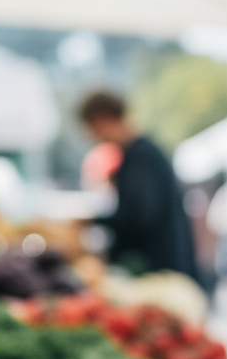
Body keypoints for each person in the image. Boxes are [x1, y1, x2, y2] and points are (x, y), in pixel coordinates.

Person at [79, 91, 198, 281]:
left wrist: (93, 221)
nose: (90, 136)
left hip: (162, 272)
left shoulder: (141, 157)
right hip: (163, 269)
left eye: (90, 128)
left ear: (102, 119)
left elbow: (140, 217)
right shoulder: (139, 154)